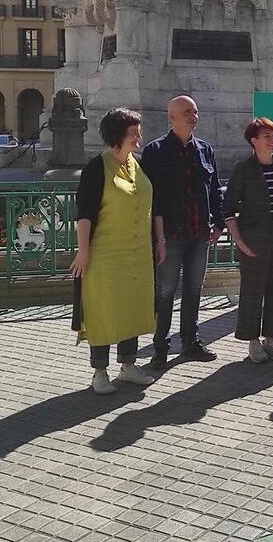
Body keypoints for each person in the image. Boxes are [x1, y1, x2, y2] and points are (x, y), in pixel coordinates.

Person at [70, 108, 156, 394]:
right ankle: (99, 371)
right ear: (118, 135)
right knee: (103, 310)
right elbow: (85, 214)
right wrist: (83, 252)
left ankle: (129, 366)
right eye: (134, 133)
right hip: (104, 255)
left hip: (137, 253)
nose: (139, 137)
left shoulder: (139, 164)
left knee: (131, 307)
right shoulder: (97, 168)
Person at [140, 96, 225, 370]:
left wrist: (219, 223)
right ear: (172, 116)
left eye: (196, 111)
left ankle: (191, 342)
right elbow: (153, 199)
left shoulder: (205, 150)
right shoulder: (155, 151)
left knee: (194, 289)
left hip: (200, 232)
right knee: (164, 291)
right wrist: (159, 237)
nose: (194, 116)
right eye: (187, 112)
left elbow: (213, 189)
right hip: (171, 235)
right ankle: (161, 347)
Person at [224, 118, 273, 363]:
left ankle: (271, 338)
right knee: (252, 290)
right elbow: (228, 208)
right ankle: (252, 341)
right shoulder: (244, 169)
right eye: (267, 136)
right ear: (254, 141)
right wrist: (239, 241)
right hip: (254, 240)